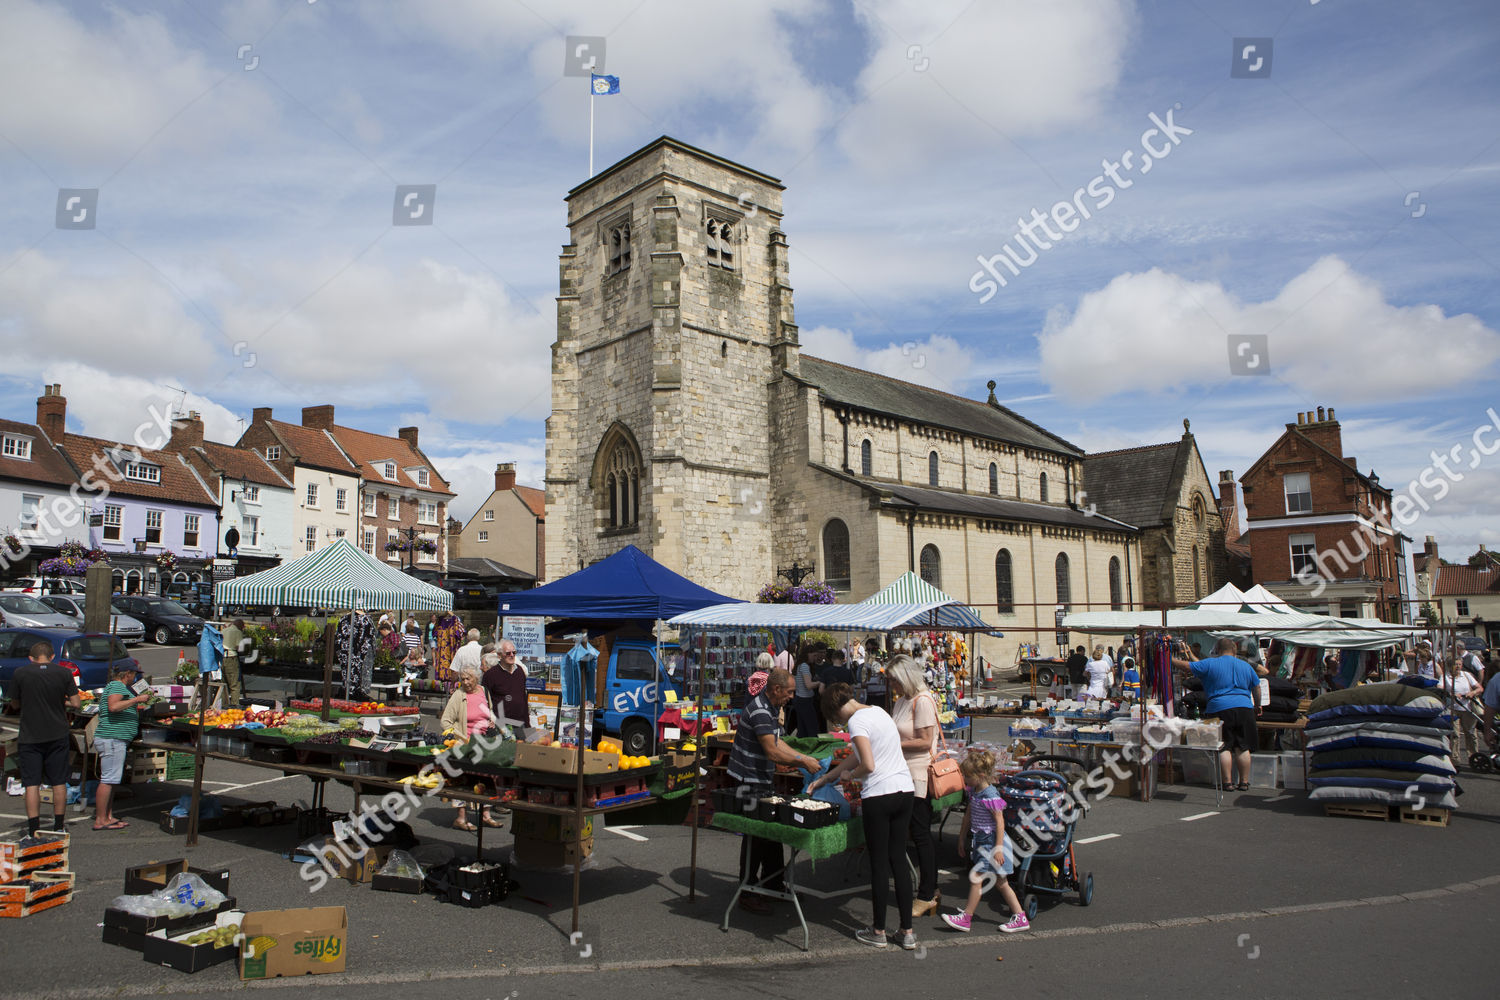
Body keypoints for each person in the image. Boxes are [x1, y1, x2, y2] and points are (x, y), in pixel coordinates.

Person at [811, 682, 917, 949]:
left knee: (879, 863)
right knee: (899, 860)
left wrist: (849, 776)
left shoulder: (857, 722)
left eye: (835, 719)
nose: (837, 724)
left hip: (880, 795)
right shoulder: (879, 712)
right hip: (904, 790)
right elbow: (859, 755)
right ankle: (907, 932)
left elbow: (866, 764)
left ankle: (879, 931)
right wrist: (829, 776)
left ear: (836, 710)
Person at [727, 667, 821, 915]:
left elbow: (780, 742)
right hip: (748, 779)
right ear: (776, 689)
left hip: (760, 777)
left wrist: (804, 756)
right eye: (789, 692)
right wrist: (803, 762)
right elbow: (772, 751)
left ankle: (773, 882)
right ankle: (746, 890)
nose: (791, 696)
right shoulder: (759, 710)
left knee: (771, 831)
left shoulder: (771, 708)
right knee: (755, 835)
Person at [941, 748, 1029, 934]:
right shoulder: (975, 791)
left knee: (977, 878)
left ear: (980, 775)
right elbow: (968, 815)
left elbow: (1000, 822)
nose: (965, 779)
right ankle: (1020, 916)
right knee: (1001, 882)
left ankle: (966, 918)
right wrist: (962, 837)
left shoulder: (990, 795)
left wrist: (997, 848)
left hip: (992, 843)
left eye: (967, 776)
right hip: (983, 842)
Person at [1171, 637, 1266, 792]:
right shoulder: (1246, 666)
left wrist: (1169, 659)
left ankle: (1227, 783)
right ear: (1234, 650)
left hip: (1219, 707)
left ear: (1217, 650)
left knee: (1224, 746)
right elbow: (1257, 687)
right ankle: (1244, 782)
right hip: (1244, 707)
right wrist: (1258, 705)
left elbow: (1187, 666)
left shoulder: (1210, 663)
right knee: (1243, 747)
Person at [7, 640, 80, 835]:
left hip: (30, 735)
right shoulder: (64, 673)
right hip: (57, 733)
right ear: (52, 656)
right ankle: (59, 825)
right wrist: (60, 700)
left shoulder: (20, 673)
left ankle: (33, 828)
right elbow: (76, 702)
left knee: (31, 783)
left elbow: (14, 704)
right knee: (58, 781)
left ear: (31, 658)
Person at [887, 655, 941, 918]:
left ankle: (927, 893)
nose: (891, 685)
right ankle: (929, 888)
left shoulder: (923, 701)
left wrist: (892, 745)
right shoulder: (902, 701)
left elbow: (924, 741)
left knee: (920, 834)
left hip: (917, 774)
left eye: (894, 680)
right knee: (912, 832)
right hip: (901, 772)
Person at [438, 663, 501, 830]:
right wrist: (455, 737)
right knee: (463, 782)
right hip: (464, 744)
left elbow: (490, 711)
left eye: (469, 678)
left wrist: (492, 719)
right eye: (462, 679)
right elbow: (445, 721)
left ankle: (486, 814)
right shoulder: (459, 695)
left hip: (484, 743)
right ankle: (460, 818)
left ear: (477, 679)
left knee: (488, 779)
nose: (465, 682)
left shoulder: (484, 692)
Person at [94, 661, 150, 831]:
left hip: (116, 739)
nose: (135, 678)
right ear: (127, 674)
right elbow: (113, 706)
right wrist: (137, 699)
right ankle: (100, 819)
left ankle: (108, 816)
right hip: (112, 738)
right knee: (108, 780)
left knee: (112, 780)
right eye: (134, 674)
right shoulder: (117, 687)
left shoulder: (116, 687)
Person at [482, 639, 529, 739]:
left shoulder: (520, 672)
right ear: (499, 655)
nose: (512, 655)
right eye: (508, 653)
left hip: (520, 724)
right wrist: (488, 721)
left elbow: (523, 701)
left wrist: (529, 729)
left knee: (523, 753)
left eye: (514, 652)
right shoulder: (490, 675)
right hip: (501, 727)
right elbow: (484, 701)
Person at [1443, 654, 1482, 762]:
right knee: (1455, 734)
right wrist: (1450, 694)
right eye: (1456, 664)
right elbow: (1440, 688)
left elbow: (1479, 688)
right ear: (1450, 666)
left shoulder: (1466, 675)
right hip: (1453, 709)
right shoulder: (1445, 677)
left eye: (1460, 664)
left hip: (1467, 708)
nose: (1459, 666)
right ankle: (1455, 758)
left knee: (1471, 733)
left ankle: (1474, 756)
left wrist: (1472, 692)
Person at [792, 643, 825, 738]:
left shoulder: (799, 665)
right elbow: (809, 685)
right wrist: (820, 682)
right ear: (808, 654)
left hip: (799, 699)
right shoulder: (805, 666)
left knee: (802, 728)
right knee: (812, 728)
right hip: (805, 700)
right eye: (814, 655)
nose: (815, 658)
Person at [219, 618, 246, 707]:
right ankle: (234, 706)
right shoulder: (238, 632)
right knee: (234, 684)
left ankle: (224, 705)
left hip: (221, 657)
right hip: (231, 657)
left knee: (223, 684)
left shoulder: (224, 630)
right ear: (240, 626)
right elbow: (240, 648)